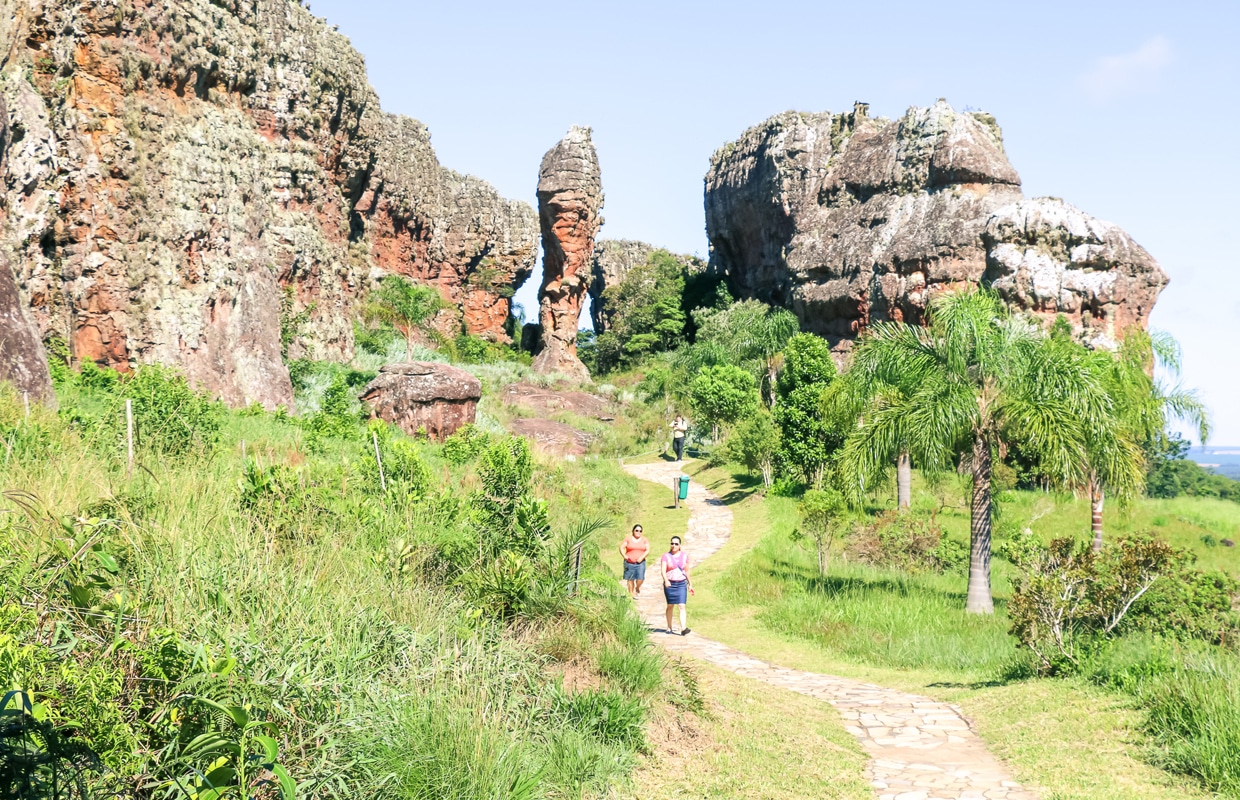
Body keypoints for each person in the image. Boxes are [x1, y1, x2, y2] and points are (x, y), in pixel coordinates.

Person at [660, 536, 692, 635]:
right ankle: (669, 626)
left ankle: (683, 628)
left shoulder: (685, 556)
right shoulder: (666, 556)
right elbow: (663, 570)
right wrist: (666, 580)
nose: (674, 545)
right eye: (672, 543)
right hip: (670, 583)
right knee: (670, 605)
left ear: (680, 545)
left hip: (681, 583)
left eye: (676, 544)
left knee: (682, 606)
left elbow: (687, 571)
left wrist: (690, 584)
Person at [618, 524, 650, 599]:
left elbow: (648, 549)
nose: (638, 532)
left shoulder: (644, 540)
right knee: (630, 578)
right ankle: (631, 594)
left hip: (640, 562)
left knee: (640, 578)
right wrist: (625, 556)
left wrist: (642, 557)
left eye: (640, 531)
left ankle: (637, 588)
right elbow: (622, 547)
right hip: (629, 562)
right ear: (633, 531)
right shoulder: (628, 539)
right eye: (637, 530)